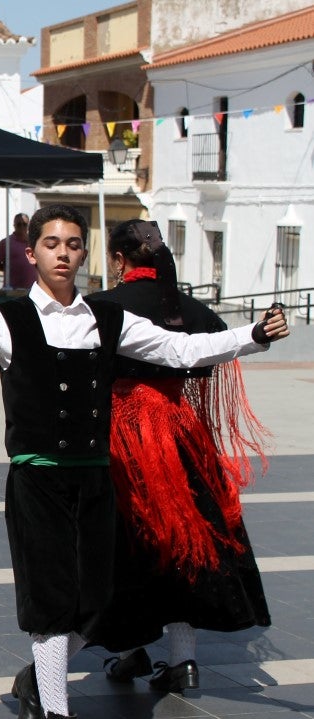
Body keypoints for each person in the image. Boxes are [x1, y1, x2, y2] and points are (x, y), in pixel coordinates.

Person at [0, 203, 288, 719]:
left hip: (95, 475)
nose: (63, 253)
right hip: (38, 478)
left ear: (85, 254)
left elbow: (182, 351)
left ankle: (37, 692)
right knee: (52, 601)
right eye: (52, 243)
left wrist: (254, 335)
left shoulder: (107, 320)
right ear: (32, 252)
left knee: (97, 602)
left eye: (73, 244)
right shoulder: (4, 320)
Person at [91, 220, 271, 693]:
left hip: (123, 435)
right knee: (185, 542)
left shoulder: (102, 308)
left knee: (129, 545)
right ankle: (183, 659)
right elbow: (210, 358)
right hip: (180, 431)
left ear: (118, 260)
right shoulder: (190, 309)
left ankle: (130, 650)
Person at [0, 213, 36, 290]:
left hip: (32, 289)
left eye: (24, 224)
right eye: (19, 224)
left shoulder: (34, 242)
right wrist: (10, 269)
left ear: (28, 225)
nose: (22, 227)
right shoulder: (6, 243)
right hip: (12, 289)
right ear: (14, 225)